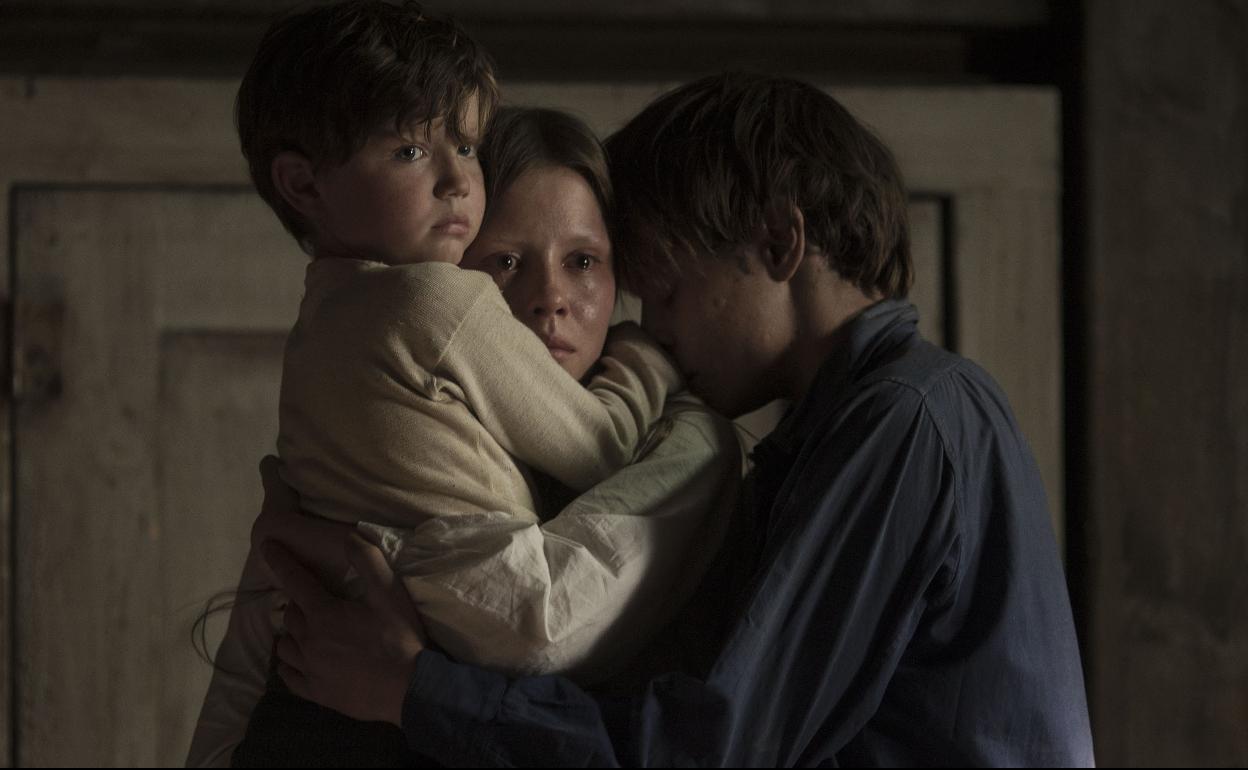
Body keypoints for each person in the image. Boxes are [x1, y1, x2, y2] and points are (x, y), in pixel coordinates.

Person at [259, 72, 1097, 766]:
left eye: (665, 291)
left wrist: (413, 688)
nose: (652, 329)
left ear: (779, 243)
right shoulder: (823, 436)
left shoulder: (903, 421)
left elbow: (723, 745)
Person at [186, 3, 736, 765]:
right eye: (503, 263)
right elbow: (238, 694)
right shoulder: (393, 385)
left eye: (583, 261)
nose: (550, 299)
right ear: (453, 263)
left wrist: (410, 682)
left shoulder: (684, 447)